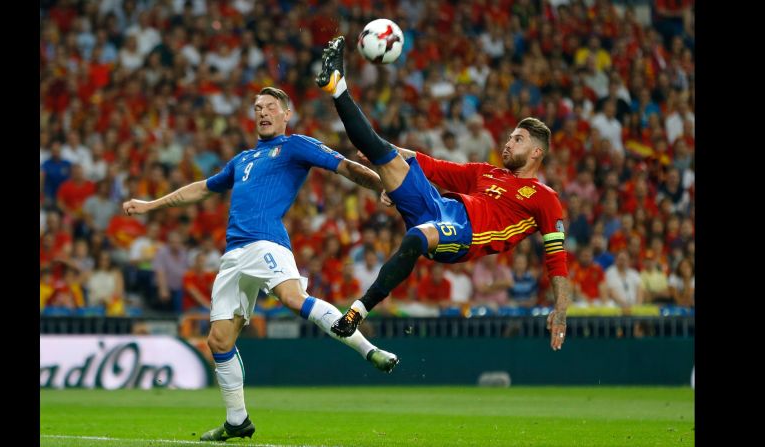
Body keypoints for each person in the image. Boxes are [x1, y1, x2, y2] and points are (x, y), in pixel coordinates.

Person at [122, 87, 399, 442]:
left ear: (286, 114)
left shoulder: (296, 145)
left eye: (270, 107)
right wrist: (151, 205)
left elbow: (345, 167)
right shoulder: (242, 160)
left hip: (267, 242)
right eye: (257, 107)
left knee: (291, 296)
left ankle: (369, 349)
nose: (263, 112)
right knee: (219, 341)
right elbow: (201, 188)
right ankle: (237, 420)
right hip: (233, 255)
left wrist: (384, 184)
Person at [316, 37, 570, 351]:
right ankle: (337, 86)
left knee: (417, 237)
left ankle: (358, 311)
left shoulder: (545, 197)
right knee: (380, 150)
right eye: (510, 137)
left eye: (517, 140)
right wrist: (384, 154)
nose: (507, 143)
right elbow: (429, 165)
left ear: (536, 152)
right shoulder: (485, 172)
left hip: (466, 233)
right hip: (440, 206)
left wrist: (561, 308)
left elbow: (557, 260)